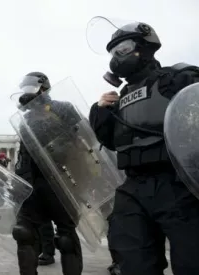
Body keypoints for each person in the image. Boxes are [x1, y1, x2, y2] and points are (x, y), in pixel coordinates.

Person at [88, 19, 199, 275]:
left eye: (123, 48)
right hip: (133, 187)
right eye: (113, 52)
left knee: (193, 262)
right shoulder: (117, 100)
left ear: (145, 46)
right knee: (132, 263)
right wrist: (101, 111)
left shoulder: (178, 78)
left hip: (176, 182)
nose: (117, 57)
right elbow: (111, 142)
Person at [13, 72, 83, 275]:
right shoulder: (25, 118)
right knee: (23, 233)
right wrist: (20, 183)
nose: (26, 94)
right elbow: (24, 155)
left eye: (31, 89)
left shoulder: (63, 108)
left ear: (44, 88)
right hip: (33, 184)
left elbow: (81, 142)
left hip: (60, 181)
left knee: (66, 238)